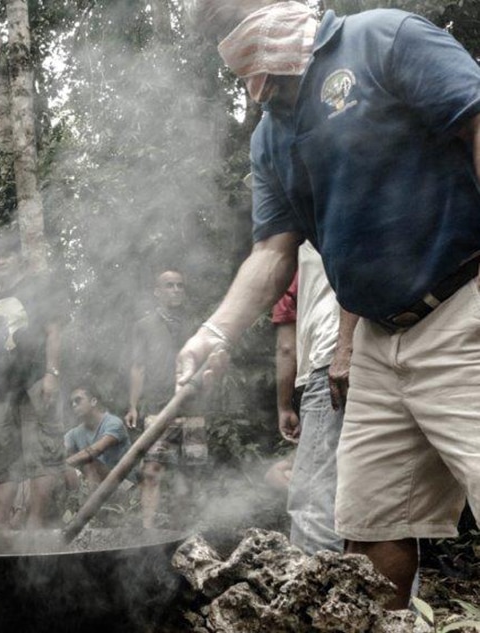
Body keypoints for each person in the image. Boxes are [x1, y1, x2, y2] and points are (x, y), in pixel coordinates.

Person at [184, 0, 480, 608]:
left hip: (461, 308)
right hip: (375, 340)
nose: (233, 40)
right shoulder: (270, 137)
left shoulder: (381, 39)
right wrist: (214, 333)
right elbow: (272, 254)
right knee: (370, 533)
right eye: (219, 34)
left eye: (234, 16)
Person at [271, 243, 357, 554]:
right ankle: (396, 603)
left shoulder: (297, 255)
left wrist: (284, 406)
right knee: (380, 509)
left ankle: (314, 600)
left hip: (329, 366)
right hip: (385, 358)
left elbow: (285, 348)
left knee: (314, 501)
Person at [0, 233, 67, 531]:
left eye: (6, 254)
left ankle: (35, 523)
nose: (1, 261)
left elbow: (54, 331)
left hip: (35, 379)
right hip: (2, 386)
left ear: (19, 256)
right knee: (3, 458)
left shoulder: (39, 287)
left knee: (41, 454)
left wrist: (52, 373)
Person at [125, 270, 206, 528]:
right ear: (157, 292)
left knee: (190, 470)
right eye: (169, 285)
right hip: (157, 406)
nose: (175, 290)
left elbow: (206, 362)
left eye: (180, 286)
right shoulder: (144, 325)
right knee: (152, 470)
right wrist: (133, 406)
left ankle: (183, 531)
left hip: (192, 408)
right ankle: (147, 530)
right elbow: (137, 367)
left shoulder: (194, 324)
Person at [64, 381, 132, 488]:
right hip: (98, 485)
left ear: (93, 401)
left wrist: (64, 464)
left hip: (123, 485)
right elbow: (58, 451)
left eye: (78, 400)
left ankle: (90, 504)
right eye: (71, 402)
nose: (73, 405)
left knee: (90, 463)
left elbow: (96, 450)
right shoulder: (74, 433)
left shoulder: (113, 423)